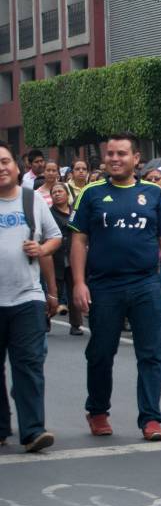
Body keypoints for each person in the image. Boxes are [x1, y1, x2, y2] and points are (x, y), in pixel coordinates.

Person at [69, 133, 161, 442]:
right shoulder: (91, 193)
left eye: (121, 154)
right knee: (101, 352)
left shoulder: (154, 194)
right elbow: (78, 240)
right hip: (104, 286)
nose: (115, 159)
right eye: (110, 154)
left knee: (151, 354)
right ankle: (98, 410)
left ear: (136, 159)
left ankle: (152, 418)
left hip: (145, 284)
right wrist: (78, 283)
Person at [0, 141, 59, 452]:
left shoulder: (31, 200)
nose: (1, 168)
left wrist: (41, 249)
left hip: (27, 298)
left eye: (5, 161)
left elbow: (55, 237)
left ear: (16, 165)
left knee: (29, 365)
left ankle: (33, 430)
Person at [48, 183, 84, 335]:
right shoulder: (49, 213)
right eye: (54, 192)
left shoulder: (75, 212)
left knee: (73, 288)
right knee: (53, 289)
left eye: (60, 191)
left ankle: (76, 324)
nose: (57, 194)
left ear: (67, 194)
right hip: (55, 256)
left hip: (72, 255)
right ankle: (45, 319)